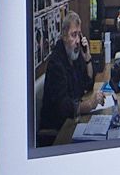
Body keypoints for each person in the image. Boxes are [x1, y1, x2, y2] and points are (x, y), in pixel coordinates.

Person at [36, 8, 93, 146]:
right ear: (64, 36)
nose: (78, 40)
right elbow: (63, 107)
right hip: (57, 130)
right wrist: (88, 105)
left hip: (71, 121)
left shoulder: (74, 55)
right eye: (73, 35)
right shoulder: (56, 63)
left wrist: (87, 58)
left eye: (79, 35)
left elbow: (88, 83)